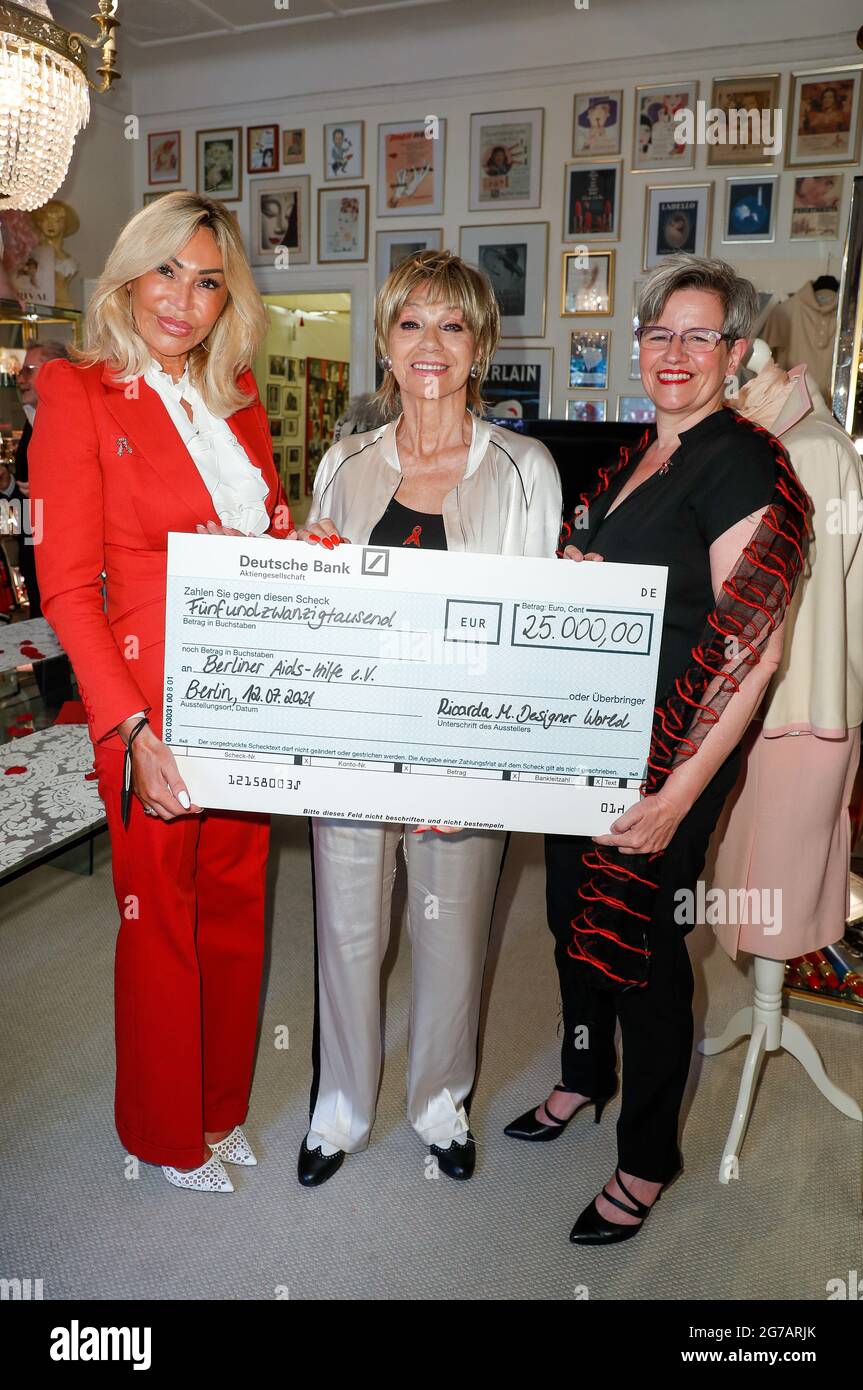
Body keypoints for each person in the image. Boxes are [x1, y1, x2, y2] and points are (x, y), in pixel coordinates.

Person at [504, 254, 808, 1244]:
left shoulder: (743, 461)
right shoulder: (631, 454)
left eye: (697, 335)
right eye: (657, 334)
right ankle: (581, 1077)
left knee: (639, 950)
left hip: (665, 757)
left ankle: (644, 1158)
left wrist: (679, 795)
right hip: (581, 743)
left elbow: (751, 655)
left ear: (730, 351)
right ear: (634, 344)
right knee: (567, 919)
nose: (673, 353)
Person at [29, 191, 292, 1194]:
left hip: (245, 694)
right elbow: (64, 585)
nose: (185, 297)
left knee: (233, 904)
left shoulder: (240, 401)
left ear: (230, 299)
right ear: (129, 273)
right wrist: (129, 726)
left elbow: (270, 541)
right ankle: (159, 1131)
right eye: (168, 270)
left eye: (209, 279)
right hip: (142, 698)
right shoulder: (78, 392)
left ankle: (217, 1108)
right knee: (156, 918)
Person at [291, 249, 562, 1187]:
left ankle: (441, 1105)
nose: (431, 344)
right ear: (386, 340)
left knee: (453, 940)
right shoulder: (346, 461)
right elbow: (321, 609)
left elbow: (528, 633)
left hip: (466, 751)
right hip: (356, 754)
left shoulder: (526, 469)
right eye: (412, 323)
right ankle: (338, 1112)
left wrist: (484, 768)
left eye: (453, 325)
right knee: (347, 932)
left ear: (481, 344)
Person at [710, 356, 863, 960]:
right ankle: (765, 1009)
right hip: (772, 696)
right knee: (752, 867)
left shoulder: (809, 450)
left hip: (798, 699)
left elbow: (808, 594)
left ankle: (771, 1010)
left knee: (775, 878)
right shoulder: (776, 437)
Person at [0, 341, 75, 709]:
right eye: (21, 370)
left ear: (58, 372)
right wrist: (8, 487)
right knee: (47, 648)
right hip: (37, 554)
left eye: (30, 370)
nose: (21, 377)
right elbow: (26, 502)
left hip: (70, 559)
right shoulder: (32, 421)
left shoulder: (72, 420)